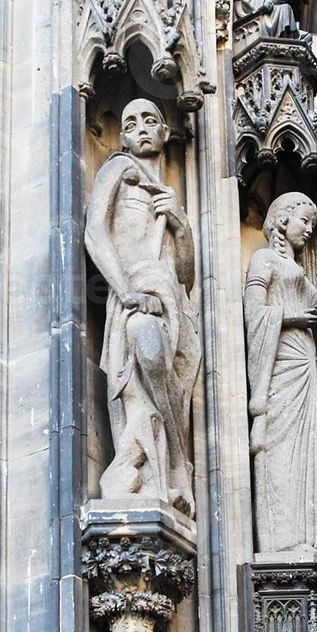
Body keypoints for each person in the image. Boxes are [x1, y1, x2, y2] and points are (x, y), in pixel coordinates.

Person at [85, 99, 201, 514]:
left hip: (170, 302)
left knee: (161, 377)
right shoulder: (118, 170)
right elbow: (95, 232)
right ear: (123, 137)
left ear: (166, 132)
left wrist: (180, 224)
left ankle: (160, 467)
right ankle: (167, 466)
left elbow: (185, 276)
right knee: (144, 362)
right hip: (133, 295)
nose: (141, 128)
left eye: (151, 120)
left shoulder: (167, 196)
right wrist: (124, 290)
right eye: (131, 122)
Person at [244, 192, 317, 553]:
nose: (309, 230)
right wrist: (293, 319)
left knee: (305, 451)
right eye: (303, 221)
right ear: (281, 220)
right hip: (280, 364)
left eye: (312, 223)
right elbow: (253, 311)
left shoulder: (297, 271)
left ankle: (303, 536)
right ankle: (280, 540)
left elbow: (314, 301)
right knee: (280, 450)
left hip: (304, 365)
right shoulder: (264, 259)